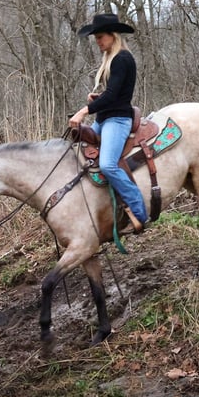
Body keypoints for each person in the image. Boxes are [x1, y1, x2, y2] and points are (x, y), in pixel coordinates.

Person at [69, 13, 149, 233]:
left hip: (118, 120)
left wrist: (85, 110)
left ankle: (140, 212)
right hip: (104, 118)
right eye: (96, 38)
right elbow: (112, 94)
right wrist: (97, 99)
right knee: (80, 154)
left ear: (113, 36)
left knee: (107, 165)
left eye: (101, 37)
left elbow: (115, 95)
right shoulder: (110, 59)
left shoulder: (123, 58)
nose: (97, 41)